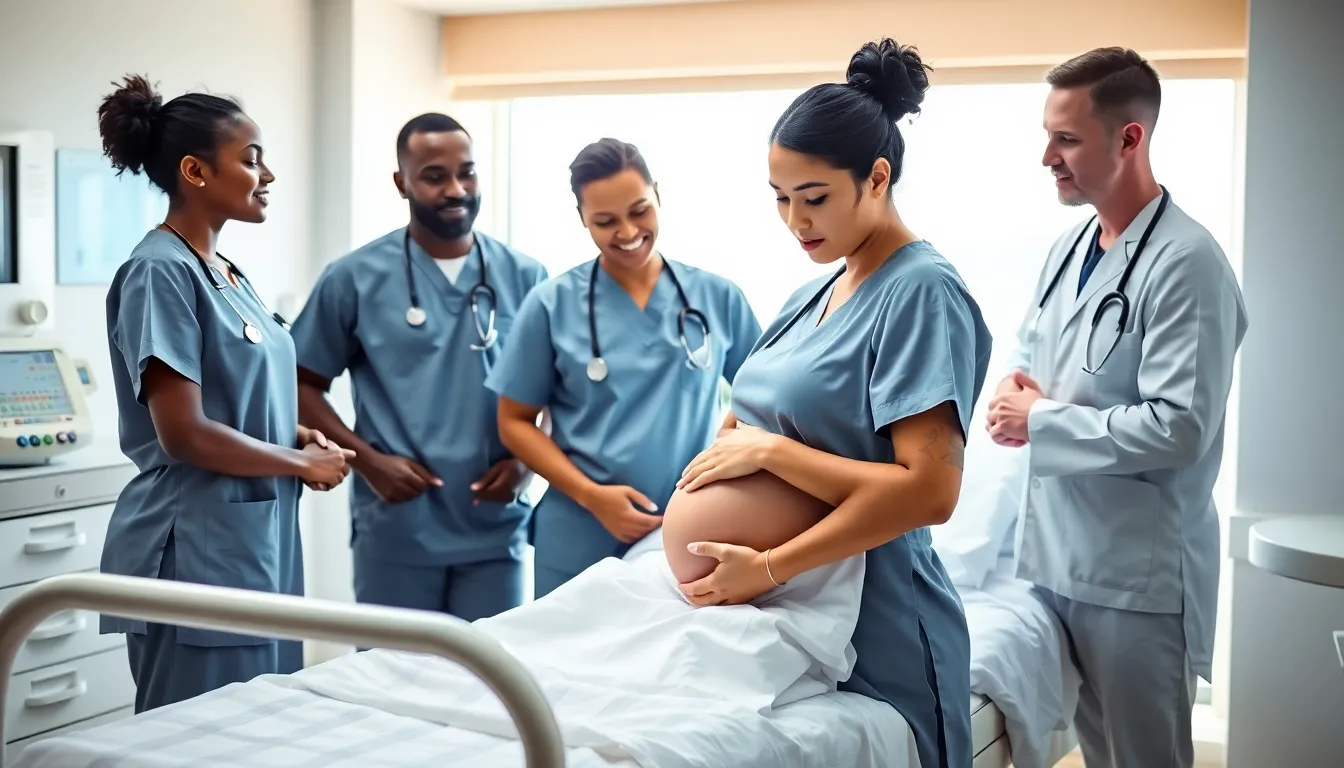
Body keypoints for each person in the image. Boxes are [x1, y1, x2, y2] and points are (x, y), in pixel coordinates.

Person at [674, 38, 990, 768]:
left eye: (814, 198)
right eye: (780, 198)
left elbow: (931, 492)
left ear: (876, 178)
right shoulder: (812, 291)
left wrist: (770, 553)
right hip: (775, 620)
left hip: (873, 622)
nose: (795, 220)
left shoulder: (921, 292)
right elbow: (745, 417)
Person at [984, 48, 1247, 768]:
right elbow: (1033, 356)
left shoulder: (1188, 263)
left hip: (1137, 579)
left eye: (1067, 139)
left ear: (1131, 138)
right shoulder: (1070, 247)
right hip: (1058, 562)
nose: (1047, 157)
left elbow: (1179, 427)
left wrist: (1038, 419)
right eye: (1048, 136)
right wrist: (1012, 394)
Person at [97, 75, 355, 713]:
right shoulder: (159, 271)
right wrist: (299, 463)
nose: (268, 175)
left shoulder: (225, 273)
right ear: (195, 171)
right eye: (251, 159)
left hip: (256, 541)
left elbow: (236, 396)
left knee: (260, 729)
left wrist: (295, 434)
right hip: (198, 547)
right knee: (198, 739)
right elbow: (182, 432)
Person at [289, 113, 548, 620]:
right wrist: (368, 461)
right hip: (399, 523)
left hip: (493, 524)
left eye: (467, 173)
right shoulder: (354, 278)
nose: (456, 189)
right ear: (401, 182)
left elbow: (561, 390)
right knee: (393, 668)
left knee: (489, 667)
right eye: (434, 176)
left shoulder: (527, 276)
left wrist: (526, 464)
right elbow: (299, 382)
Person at [487, 138, 763, 599]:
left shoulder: (718, 298)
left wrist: (722, 461)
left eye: (639, 210)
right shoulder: (551, 304)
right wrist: (591, 496)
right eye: (605, 221)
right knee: (568, 644)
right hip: (579, 531)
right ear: (582, 218)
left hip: (686, 528)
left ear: (658, 194)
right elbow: (514, 422)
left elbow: (764, 401)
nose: (628, 231)